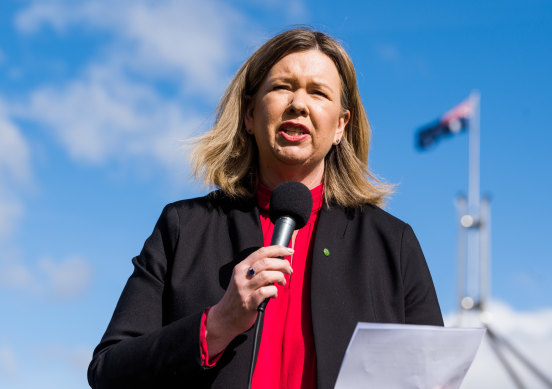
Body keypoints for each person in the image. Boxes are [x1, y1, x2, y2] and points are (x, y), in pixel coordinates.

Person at [87, 28, 443, 389]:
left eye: (318, 93)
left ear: (340, 126)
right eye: (281, 87)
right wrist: (217, 325)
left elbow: (434, 375)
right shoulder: (183, 228)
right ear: (248, 115)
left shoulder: (392, 243)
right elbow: (108, 373)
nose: (298, 104)